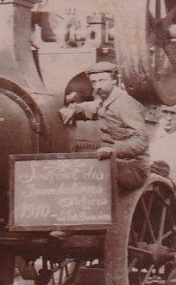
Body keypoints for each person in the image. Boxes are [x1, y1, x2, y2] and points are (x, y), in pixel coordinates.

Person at [59, 60, 150, 190]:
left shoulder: (126, 103)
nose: (97, 86)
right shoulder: (105, 101)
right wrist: (73, 109)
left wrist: (114, 149)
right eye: (94, 82)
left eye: (102, 80)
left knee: (88, 172)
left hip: (134, 168)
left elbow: (141, 140)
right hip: (113, 162)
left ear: (114, 80)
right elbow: (90, 107)